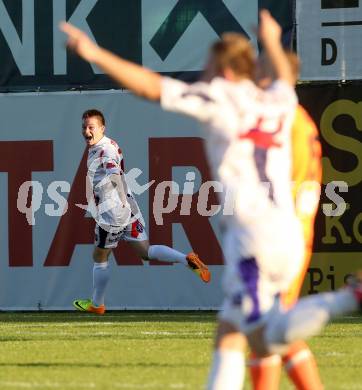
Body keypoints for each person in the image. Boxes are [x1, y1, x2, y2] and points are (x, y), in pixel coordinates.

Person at [60, 10, 362, 389]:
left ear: (227, 70)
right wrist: (271, 39)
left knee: (264, 332)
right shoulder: (281, 98)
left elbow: (152, 87)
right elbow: (285, 76)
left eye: (209, 65)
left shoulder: (222, 97)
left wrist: (95, 53)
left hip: (255, 234)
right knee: (235, 330)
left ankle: (347, 298)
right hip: (289, 233)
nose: (204, 72)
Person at [74, 108, 210, 315]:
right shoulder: (109, 144)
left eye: (91, 127)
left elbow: (115, 175)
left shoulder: (105, 150)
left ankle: (97, 304)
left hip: (113, 211)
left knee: (100, 257)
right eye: (84, 127)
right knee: (145, 252)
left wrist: (118, 202)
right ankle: (186, 259)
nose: (86, 131)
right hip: (128, 207)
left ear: (102, 128)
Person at [249, 52, 324, 390]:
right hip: (293, 230)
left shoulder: (283, 120)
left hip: (284, 234)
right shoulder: (299, 118)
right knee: (271, 326)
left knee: (265, 327)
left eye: (263, 74)